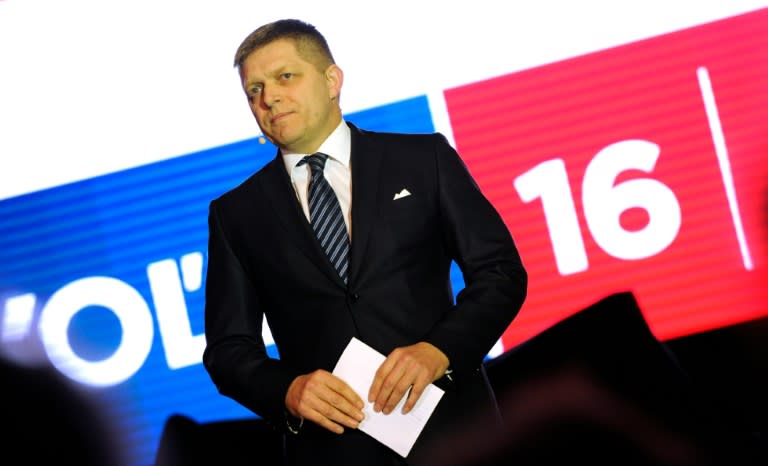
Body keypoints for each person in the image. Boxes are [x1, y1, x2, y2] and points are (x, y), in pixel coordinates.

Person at [202, 18, 528, 466]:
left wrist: (440, 352)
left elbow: (500, 274)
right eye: (253, 90)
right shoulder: (236, 214)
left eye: (285, 77)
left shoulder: (422, 159)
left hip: (457, 430)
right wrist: (289, 391)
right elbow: (227, 350)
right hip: (333, 450)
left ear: (332, 80)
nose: (269, 97)